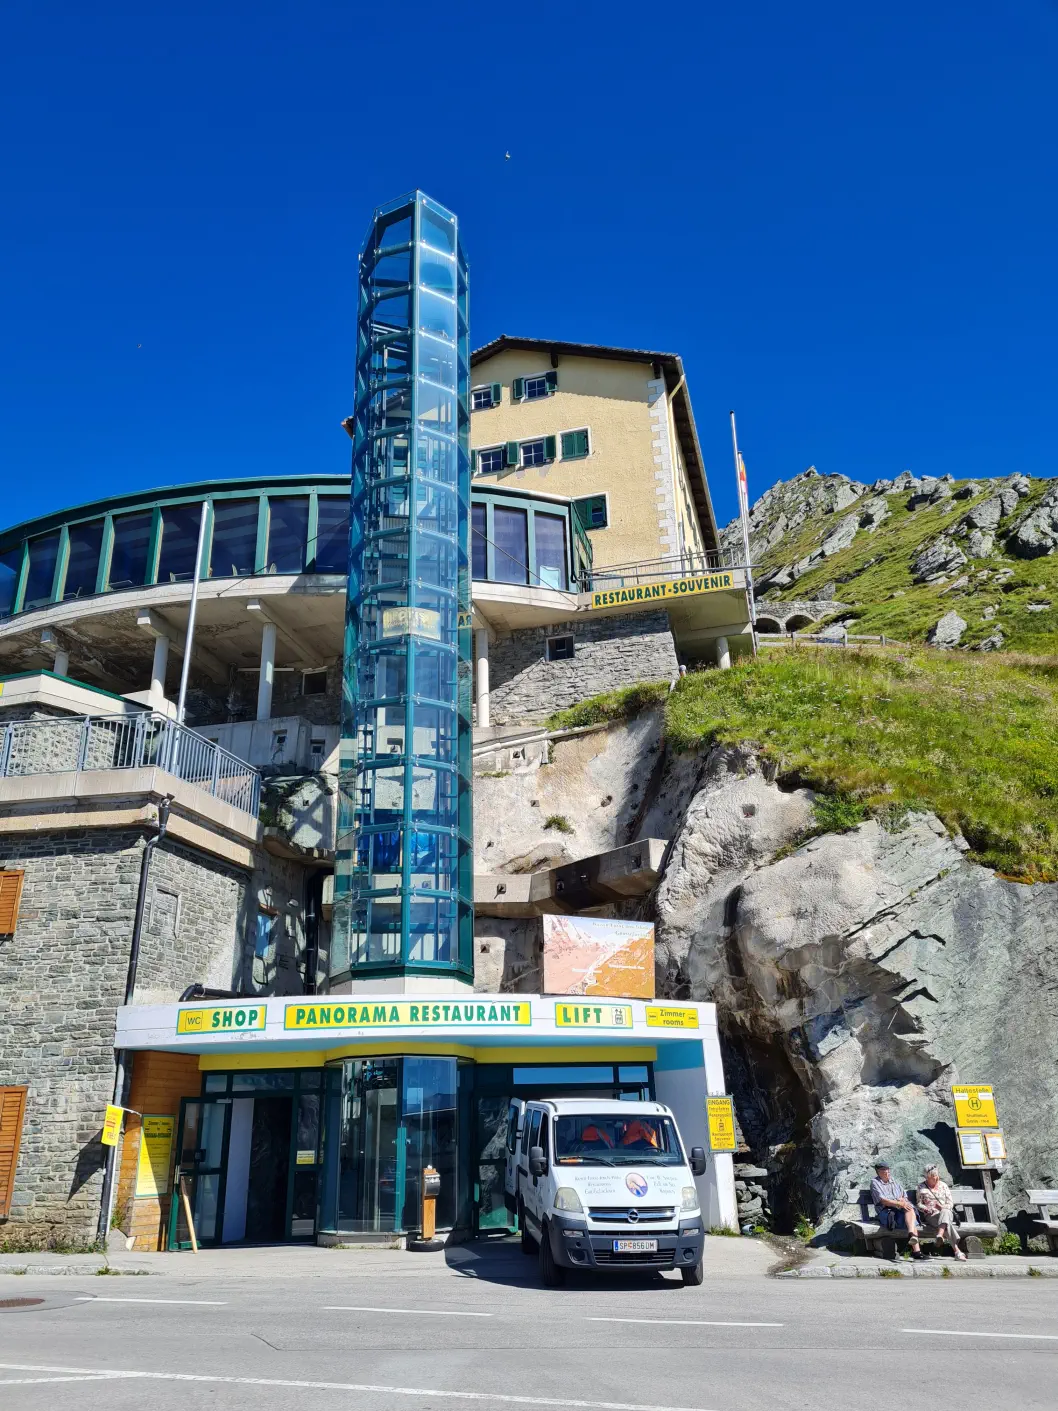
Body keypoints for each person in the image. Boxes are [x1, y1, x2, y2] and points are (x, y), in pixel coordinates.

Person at [870, 1160, 924, 1256]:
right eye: (883, 1170)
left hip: (899, 1209)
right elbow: (883, 1201)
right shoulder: (875, 1182)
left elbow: (904, 1196)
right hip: (886, 1212)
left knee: (909, 1208)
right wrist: (899, 1202)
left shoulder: (893, 1181)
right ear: (878, 1172)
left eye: (887, 1169)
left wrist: (902, 1201)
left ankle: (912, 1235)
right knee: (910, 1214)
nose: (886, 1172)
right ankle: (916, 1250)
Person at [917, 1165, 967, 1261]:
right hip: (932, 1216)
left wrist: (941, 1207)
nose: (936, 1178)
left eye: (936, 1175)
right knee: (947, 1224)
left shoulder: (943, 1185)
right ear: (927, 1177)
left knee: (945, 1211)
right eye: (933, 1176)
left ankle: (940, 1235)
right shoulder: (921, 1187)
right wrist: (926, 1209)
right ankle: (957, 1252)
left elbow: (950, 1203)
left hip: (946, 1212)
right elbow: (919, 1204)